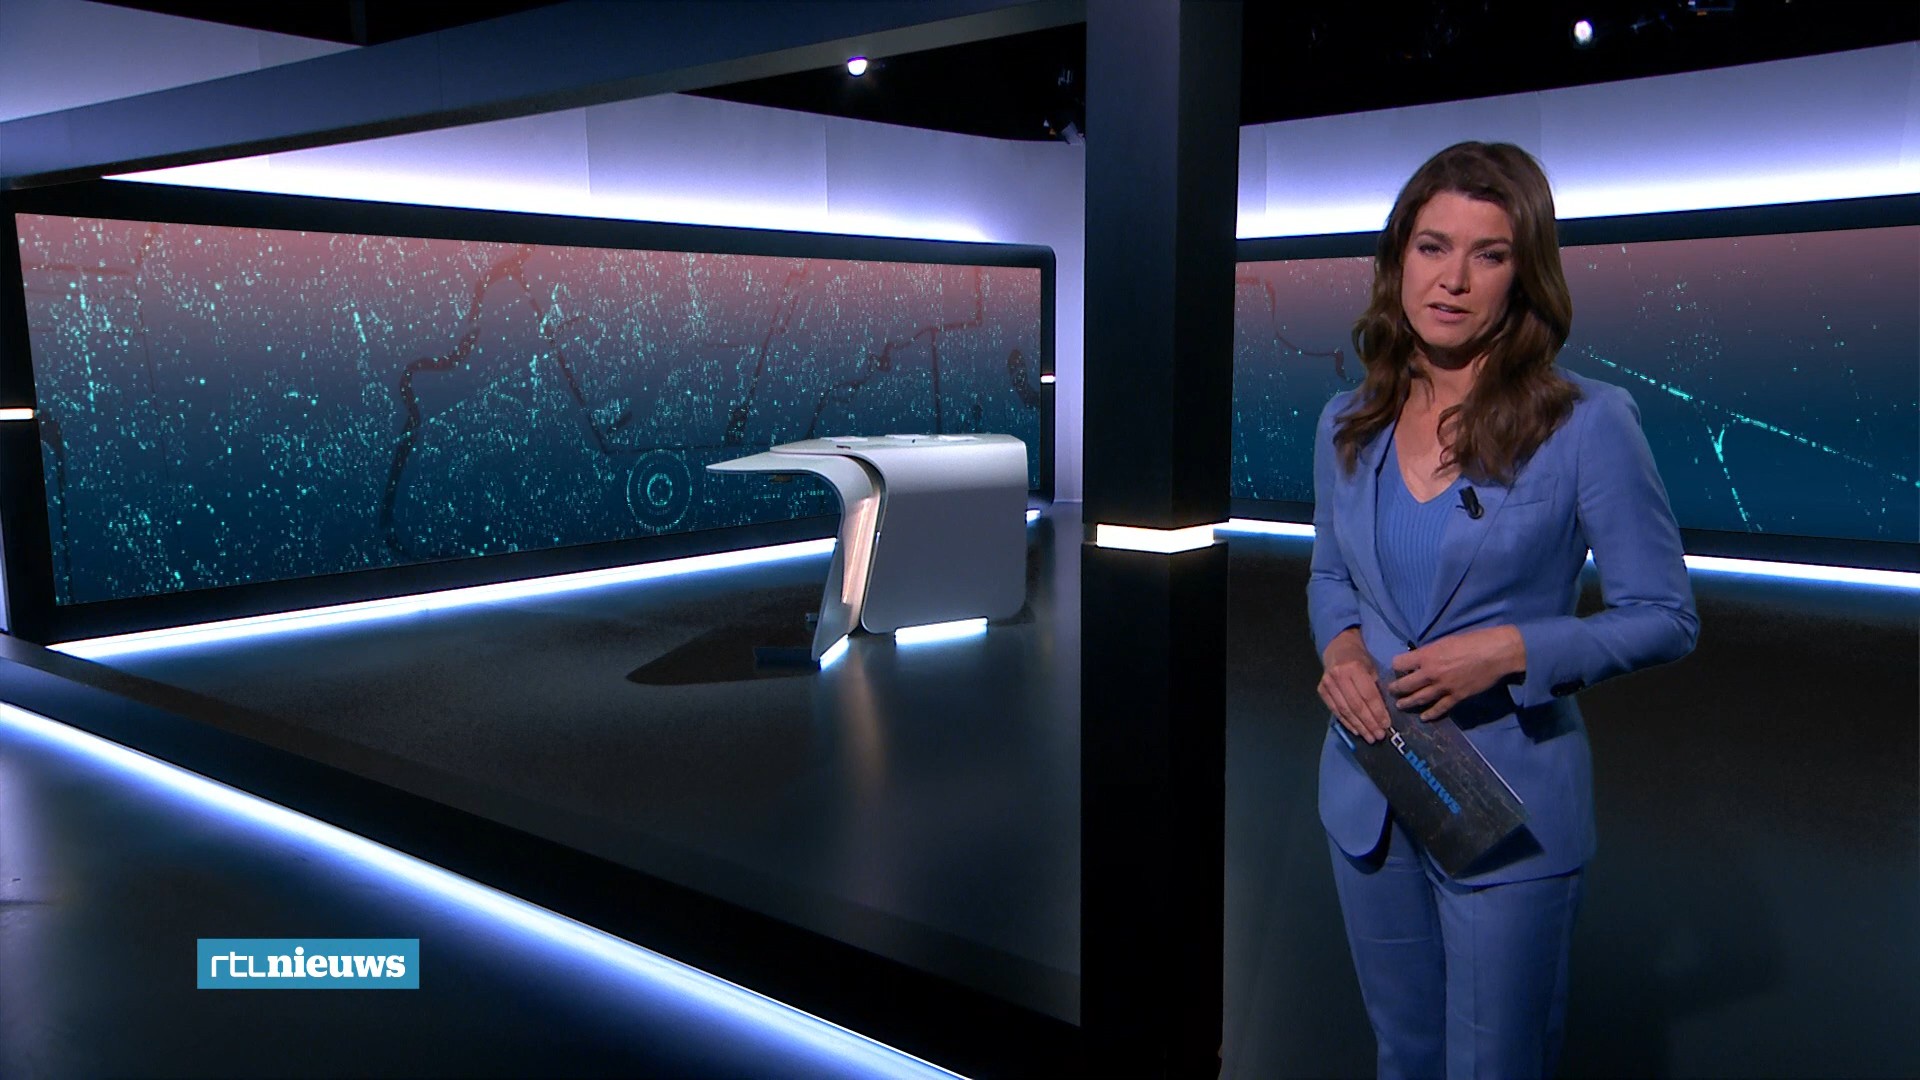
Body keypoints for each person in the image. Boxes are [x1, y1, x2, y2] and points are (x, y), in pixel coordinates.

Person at [1305, 141, 1699, 1079]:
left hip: (1507, 804)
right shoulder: (1347, 421)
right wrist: (1343, 652)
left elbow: (1663, 613)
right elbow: (1330, 577)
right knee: (1404, 1054)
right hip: (1369, 787)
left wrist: (1513, 650)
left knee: (1497, 1065)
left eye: (1488, 254)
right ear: (1398, 258)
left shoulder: (1588, 423)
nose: (1453, 280)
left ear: (1525, 274)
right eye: (1432, 247)